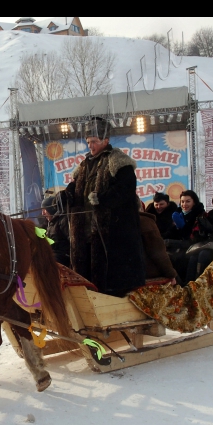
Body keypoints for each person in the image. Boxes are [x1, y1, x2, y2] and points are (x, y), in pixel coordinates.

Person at [66, 118, 146, 296]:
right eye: (88, 142)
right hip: (86, 232)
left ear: (106, 140)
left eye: (94, 141)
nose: (91, 146)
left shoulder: (118, 161)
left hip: (113, 233)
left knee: (111, 279)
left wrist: (102, 199)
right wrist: (66, 194)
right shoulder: (84, 165)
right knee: (87, 271)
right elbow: (74, 186)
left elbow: (126, 190)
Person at [164, 190, 207, 281]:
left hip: (195, 246)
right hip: (182, 244)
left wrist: (182, 227)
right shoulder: (179, 214)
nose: (184, 204)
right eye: (182, 201)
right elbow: (171, 232)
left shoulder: (200, 216)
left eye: (188, 201)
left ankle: (185, 284)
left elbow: (194, 239)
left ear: (194, 202)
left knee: (178, 257)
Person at [139, 207, 179, 283]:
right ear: (140, 207)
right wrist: (171, 275)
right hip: (145, 273)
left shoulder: (114, 220)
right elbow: (158, 253)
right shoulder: (145, 221)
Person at [41, 192, 71, 267]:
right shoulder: (49, 224)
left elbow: (72, 241)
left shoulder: (63, 221)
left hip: (63, 258)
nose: (43, 214)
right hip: (53, 256)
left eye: (45, 210)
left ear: (51, 209)